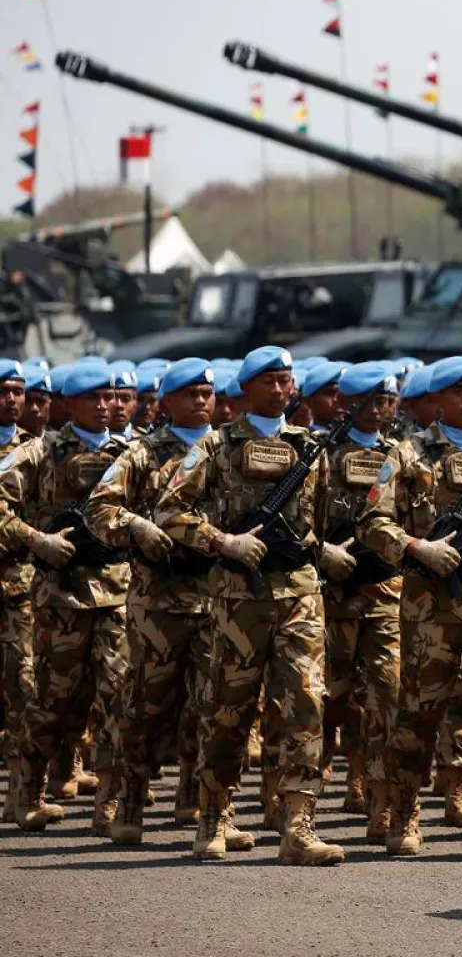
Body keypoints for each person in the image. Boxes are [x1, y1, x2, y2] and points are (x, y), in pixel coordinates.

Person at [156, 346, 343, 866]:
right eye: (270, 380)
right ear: (245, 389)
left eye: (287, 380)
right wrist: (220, 541)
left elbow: (318, 522)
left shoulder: (310, 447)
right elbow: (170, 509)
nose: (282, 388)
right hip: (238, 596)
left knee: (306, 705)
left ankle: (299, 826)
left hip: (300, 593)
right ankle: (214, 815)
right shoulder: (218, 444)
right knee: (229, 709)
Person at [357, 355, 462, 863]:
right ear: (437, 400)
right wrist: (415, 547)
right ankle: (405, 810)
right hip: (431, 600)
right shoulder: (406, 455)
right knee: (420, 710)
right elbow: (373, 521)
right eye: (460, 391)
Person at [85, 358, 241, 846]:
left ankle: (209, 808)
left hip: (221, 598)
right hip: (160, 601)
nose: (201, 401)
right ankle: (129, 798)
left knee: (216, 706)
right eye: (190, 393)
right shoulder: (143, 453)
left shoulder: (230, 449)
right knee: (148, 705)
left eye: (207, 393)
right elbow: (100, 507)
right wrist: (135, 525)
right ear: (166, 402)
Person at [0, 362, 130, 834]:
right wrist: (36, 540)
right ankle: (28, 793)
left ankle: (111, 806)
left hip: (117, 595)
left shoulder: (129, 452)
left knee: (118, 700)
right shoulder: (40, 451)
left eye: (111, 397)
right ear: (67, 405)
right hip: (60, 599)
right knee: (54, 704)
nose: (105, 406)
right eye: (93, 398)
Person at [315, 361, 403, 842]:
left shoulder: (402, 456)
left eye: (389, 400)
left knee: (386, 697)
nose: (381, 409)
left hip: (386, 592)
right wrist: (320, 552)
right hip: (333, 596)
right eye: (372, 400)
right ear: (349, 404)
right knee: (331, 697)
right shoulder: (322, 454)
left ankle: (379, 800)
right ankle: (303, 787)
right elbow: (300, 518)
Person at [0, 360, 36, 824]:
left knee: (21, 688)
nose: (11, 399)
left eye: (17, 391)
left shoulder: (35, 450)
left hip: (17, 589)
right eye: (4, 391)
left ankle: (19, 794)